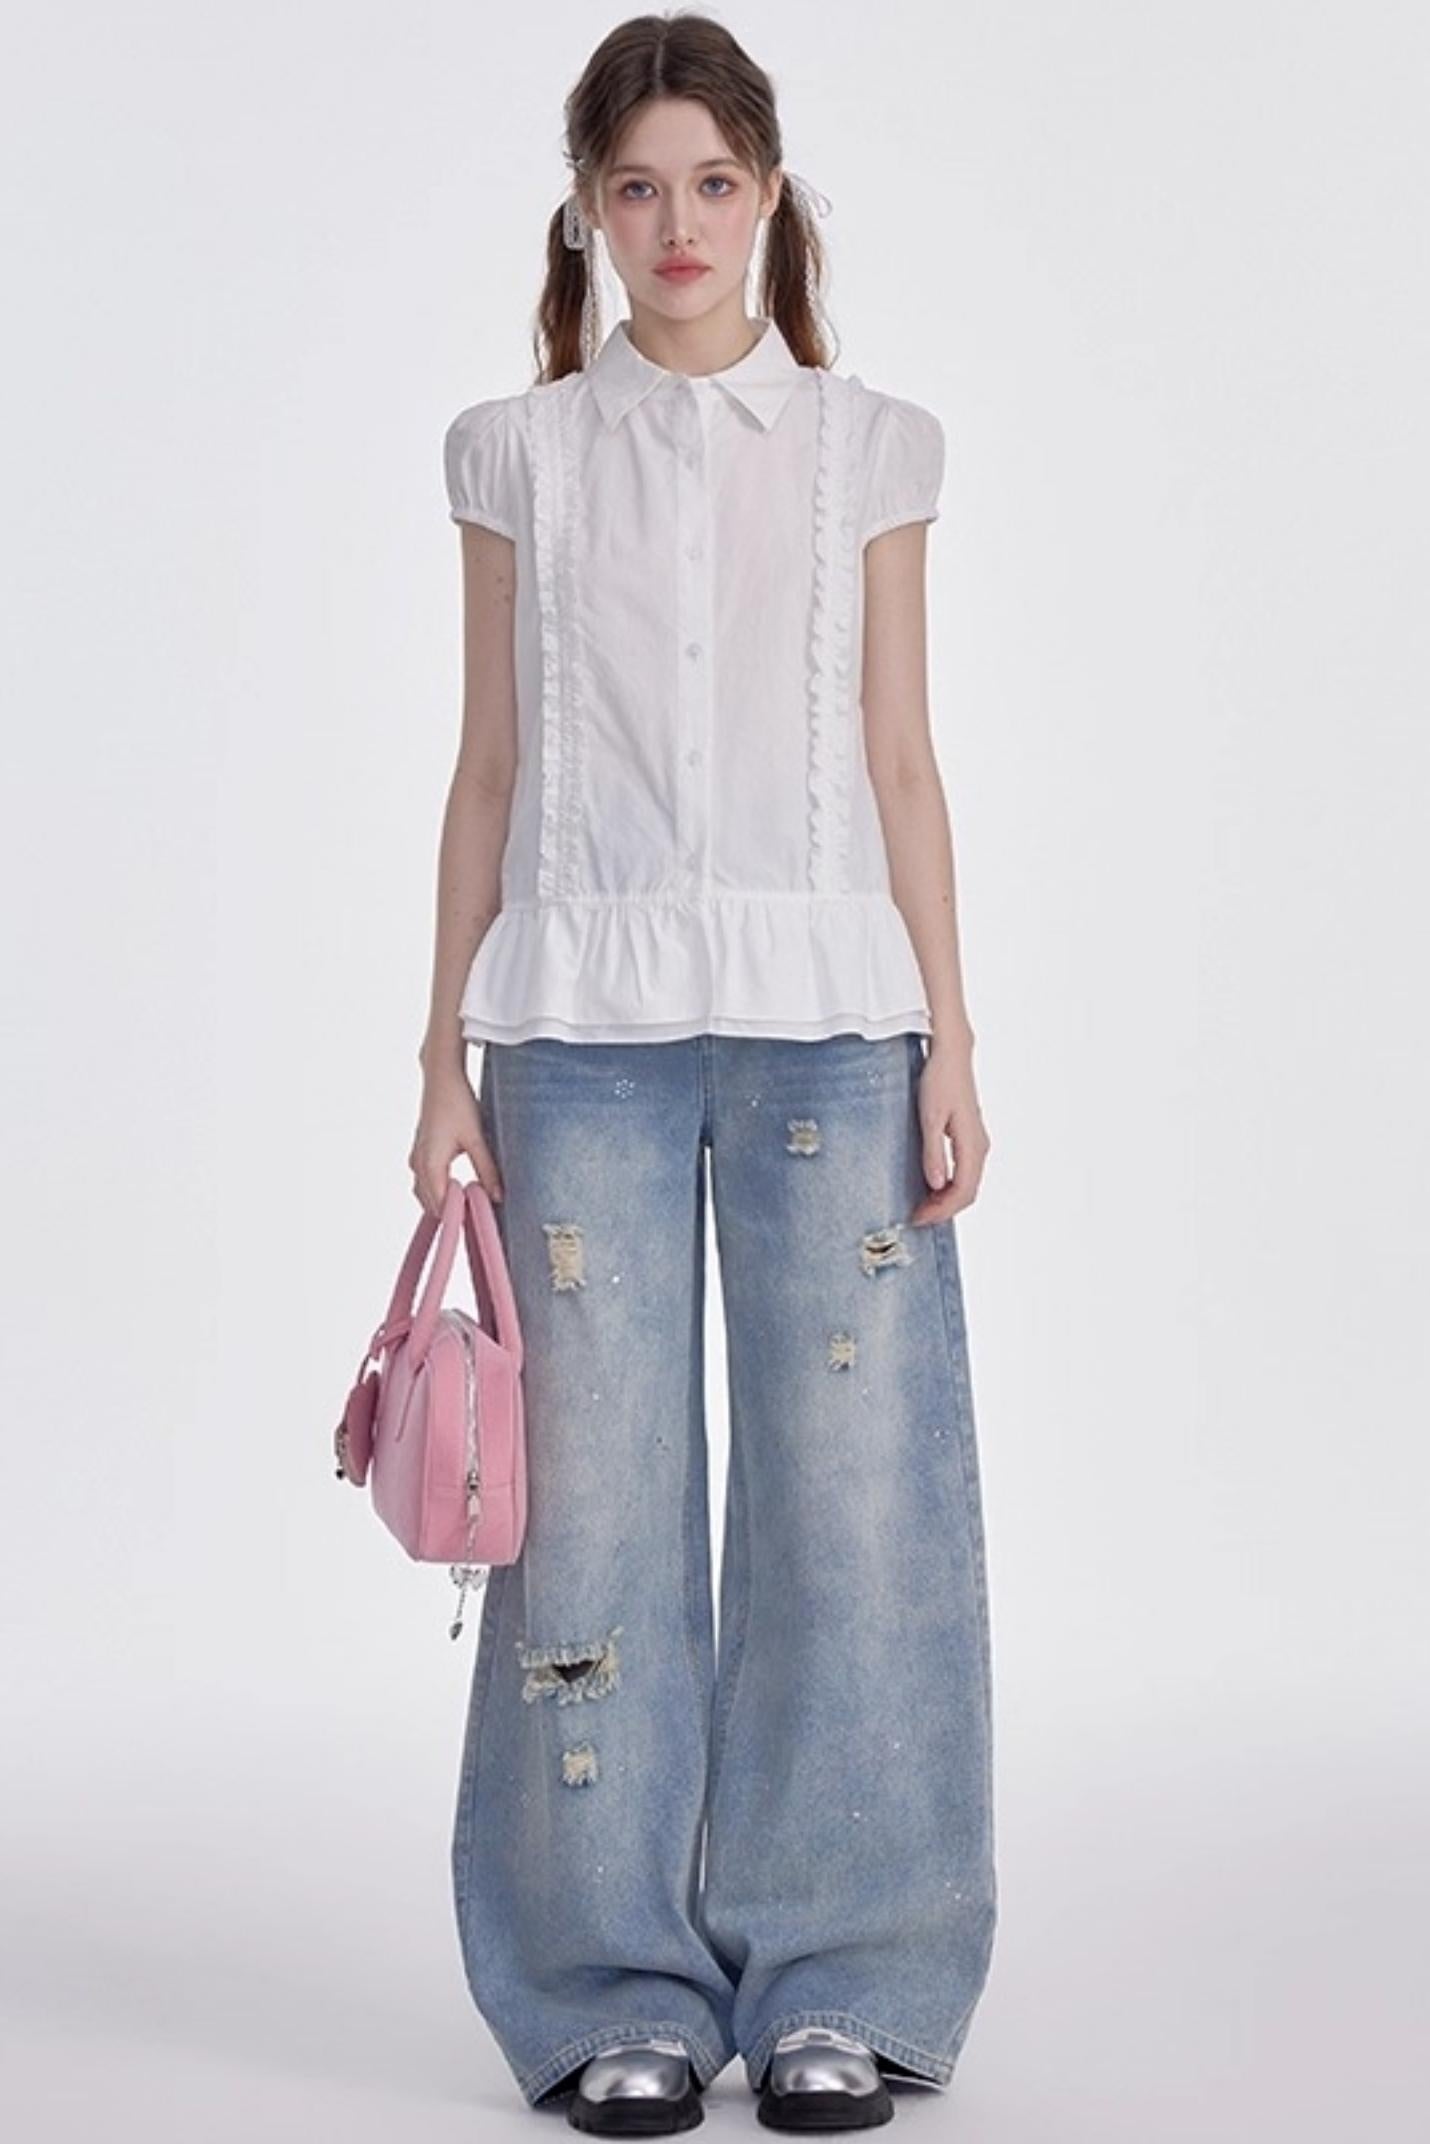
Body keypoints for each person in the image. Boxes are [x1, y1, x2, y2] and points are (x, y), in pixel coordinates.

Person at [410, 13, 996, 2135]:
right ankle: (604, 1983)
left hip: (834, 1021)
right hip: (574, 1035)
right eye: (638, 186)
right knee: (585, 1514)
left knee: (855, 1503)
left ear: (769, 196)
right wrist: (440, 1057)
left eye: (714, 183)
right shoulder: (514, 453)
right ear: (588, 206)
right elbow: (487, 764)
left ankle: (850, 1969)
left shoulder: (869, 446)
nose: (678, 224)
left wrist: (952, 1036)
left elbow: (902, 756)